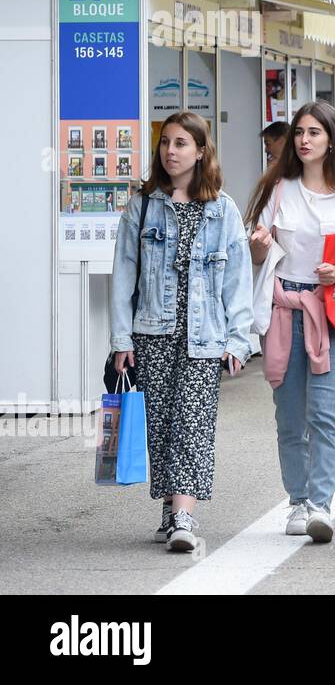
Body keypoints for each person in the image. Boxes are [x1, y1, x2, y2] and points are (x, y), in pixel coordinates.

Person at [109, 111, 254, 552]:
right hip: (152, 333)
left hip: (204, 336)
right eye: (166, 143)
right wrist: (121, 340)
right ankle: (172, 508)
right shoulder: (143, 205)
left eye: (181, 144)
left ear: (200, 151)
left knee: (192, 424)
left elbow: (238, 279)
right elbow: (123, 277)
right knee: (162, 426)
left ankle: (184, 517)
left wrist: (238, 339)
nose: (170, 151)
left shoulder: (222, 208)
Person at [246, 102, 335, 543]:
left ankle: (320, 504)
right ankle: (296, 499)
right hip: (284, 308)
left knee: (325, 414)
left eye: (314, 132)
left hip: (330, 311)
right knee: (290, 416)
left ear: (332, 139)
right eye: (299, 132)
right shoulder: (278, 189)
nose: (304, 140)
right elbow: (254, 255)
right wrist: (258, 245)